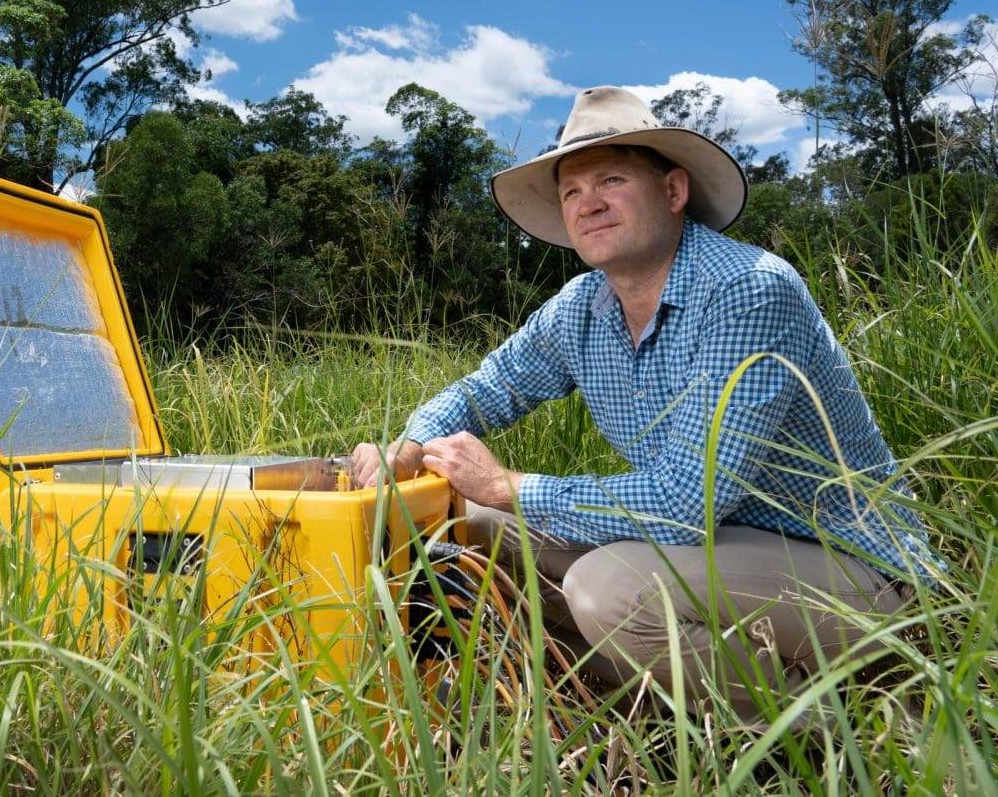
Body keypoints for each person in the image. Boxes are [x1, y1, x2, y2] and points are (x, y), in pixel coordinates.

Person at [349, 86, 940, 722]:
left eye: (611, 179)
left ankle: (842, 728)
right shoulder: (582, 308)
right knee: (474, 533)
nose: (588, 203)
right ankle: (647, 704)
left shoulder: (747, 291)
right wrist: (409, 446)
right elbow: (487, 387)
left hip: (856, 572)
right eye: (571, 192)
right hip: (719, 551)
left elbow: (689, 505)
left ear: (674, 191)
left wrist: (509, 484)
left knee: (612, 588)